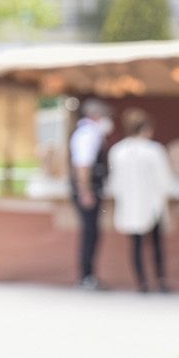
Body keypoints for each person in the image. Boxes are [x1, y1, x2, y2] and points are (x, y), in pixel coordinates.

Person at [108, 108, 174, 292]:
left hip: (129, 204)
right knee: (156, 245)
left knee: (136, 245)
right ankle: (160, 280)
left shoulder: (118, 151)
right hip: (152, 204)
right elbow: (165, 181)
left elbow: (114, 183)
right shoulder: (153, 151)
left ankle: (142, 281)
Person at [70, 98, 115, 289]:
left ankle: (88, 275)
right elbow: (83, 165)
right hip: (88, 190)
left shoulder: (90, 133)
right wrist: (85, 191)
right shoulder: (88, 134)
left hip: (90, 189)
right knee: (90, 233)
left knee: (92, 233)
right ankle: (86, 276)